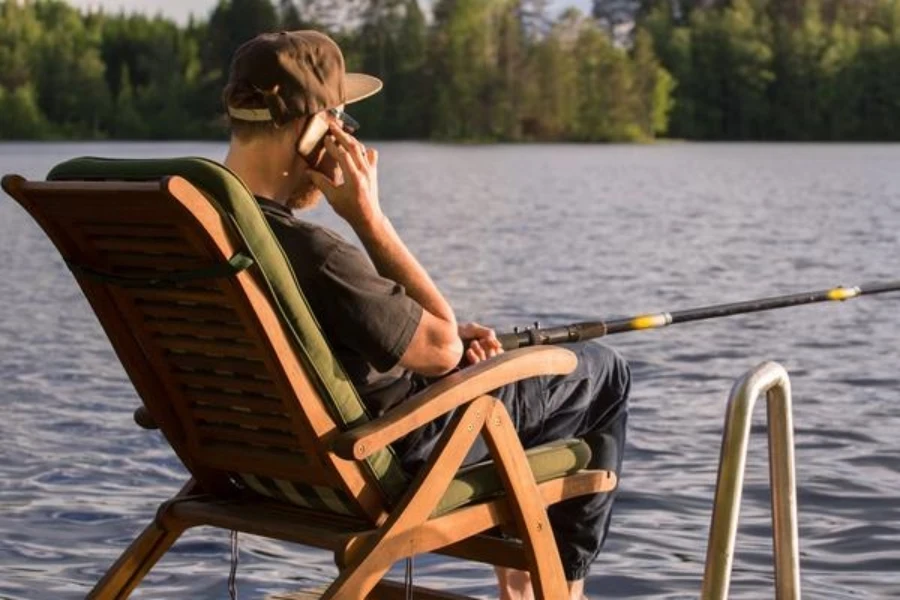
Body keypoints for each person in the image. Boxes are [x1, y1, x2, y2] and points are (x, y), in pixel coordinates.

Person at [221, 30, 630, 600]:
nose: (349, 136)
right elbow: (441, 349)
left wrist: (435, 347)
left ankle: (529, 574)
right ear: (317, 128)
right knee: (601, 374)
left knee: (509, 383)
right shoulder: (310, 252)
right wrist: (369, 219)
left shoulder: (199, 230)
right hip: (389, 453)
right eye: (341, 118)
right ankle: (551, 593)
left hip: (248, 457)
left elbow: (408, 345)